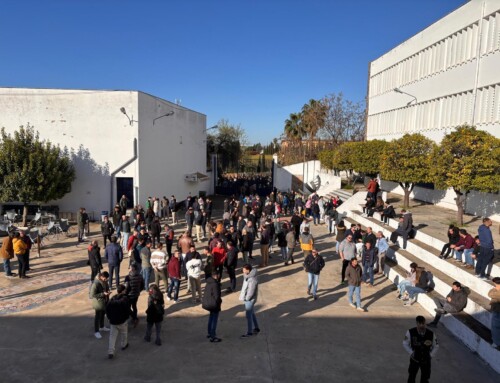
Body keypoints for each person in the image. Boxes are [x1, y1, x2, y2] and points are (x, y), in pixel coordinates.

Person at [403, 316, 439, 383]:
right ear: (417, 323)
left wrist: (431, 355)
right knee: (411, 376)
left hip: (426, 360)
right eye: (420, 324)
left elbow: (436, 346)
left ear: (425, 323)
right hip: (414, 359)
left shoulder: (431, 334)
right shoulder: (410, 332)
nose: (422, 326)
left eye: (423, 324)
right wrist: (411, 352)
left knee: (425, 378)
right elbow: (405, 343)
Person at [106, 284, 131, 359]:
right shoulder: (125, 299)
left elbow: (107, 310)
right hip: (122, 321)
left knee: (112, 337)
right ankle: (124, 345)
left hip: (113, 321)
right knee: (124, 333)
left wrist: (110, 318)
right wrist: (127, 317)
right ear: (123, 291)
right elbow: (127, 310)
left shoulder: (112, 299)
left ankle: (110, 352)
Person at [239, 264, 260, 338]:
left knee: (248, 316)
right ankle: (256, 328)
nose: (243, 271)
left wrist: (246, 298)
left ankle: (249, 332)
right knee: (252, 313)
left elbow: (251, 291)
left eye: (244, 269)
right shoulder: (248, 276)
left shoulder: (252, 279)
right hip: (249, 299)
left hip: (249, 300)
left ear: (248, 270)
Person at [202, 270, 222, 343]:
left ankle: (209, 333)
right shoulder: (215, 284)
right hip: (213, 304)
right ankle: (213, 336)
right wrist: (219, 302)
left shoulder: (209, 282)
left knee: (211, 318)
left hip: (208, 303)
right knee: (214, 320)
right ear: (217, 275)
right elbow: (217, 296)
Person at [90, 271, 110, 339]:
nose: (106, 280)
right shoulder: (96, 283)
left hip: (104, 301)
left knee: (102, 314)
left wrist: (107, 292)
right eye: (105, 278)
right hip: (98, 303)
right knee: (97, 317)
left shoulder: (104, 281)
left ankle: (102, 326)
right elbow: (92, 295)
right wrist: (102, 294)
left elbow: (106, 288)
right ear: (101, 277)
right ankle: (96, 331)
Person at [124, 263, 144, 327]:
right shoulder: (140, 276)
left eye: (130, 268)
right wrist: (138, 290)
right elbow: (142, 285)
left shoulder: (128, 277)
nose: (129, 269)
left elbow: (126, 287)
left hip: (129, 295)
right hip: (136, 294)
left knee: (127, 307)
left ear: (133, 269)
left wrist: (124, 293)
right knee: (134, 306)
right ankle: (134, 317)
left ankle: (134, 317)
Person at [488, 277, 500, 350]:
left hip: (498, 311)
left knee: (495, 327)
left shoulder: (497, 291)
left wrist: (495, 290)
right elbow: (490, 293)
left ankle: (496, 343)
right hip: (496, 310)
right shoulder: (496, 290)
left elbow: (490, 294)